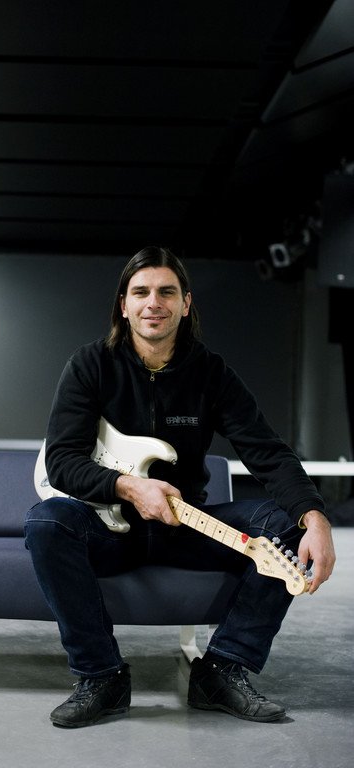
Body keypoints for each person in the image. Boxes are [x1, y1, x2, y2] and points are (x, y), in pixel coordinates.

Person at [25, 246, 336, 728]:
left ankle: (222, 670)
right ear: (123, 305)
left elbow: (268, 452)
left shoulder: (211, 373)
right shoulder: (90, 365)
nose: (154, 302)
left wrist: (315, 519)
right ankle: (101, 677)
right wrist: (129, 487)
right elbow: (62, 461)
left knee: (285, 526)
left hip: (184, 525)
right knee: (46, 522)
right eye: (141, 292)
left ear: (186, 303)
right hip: (110, 530)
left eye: (167, 292)